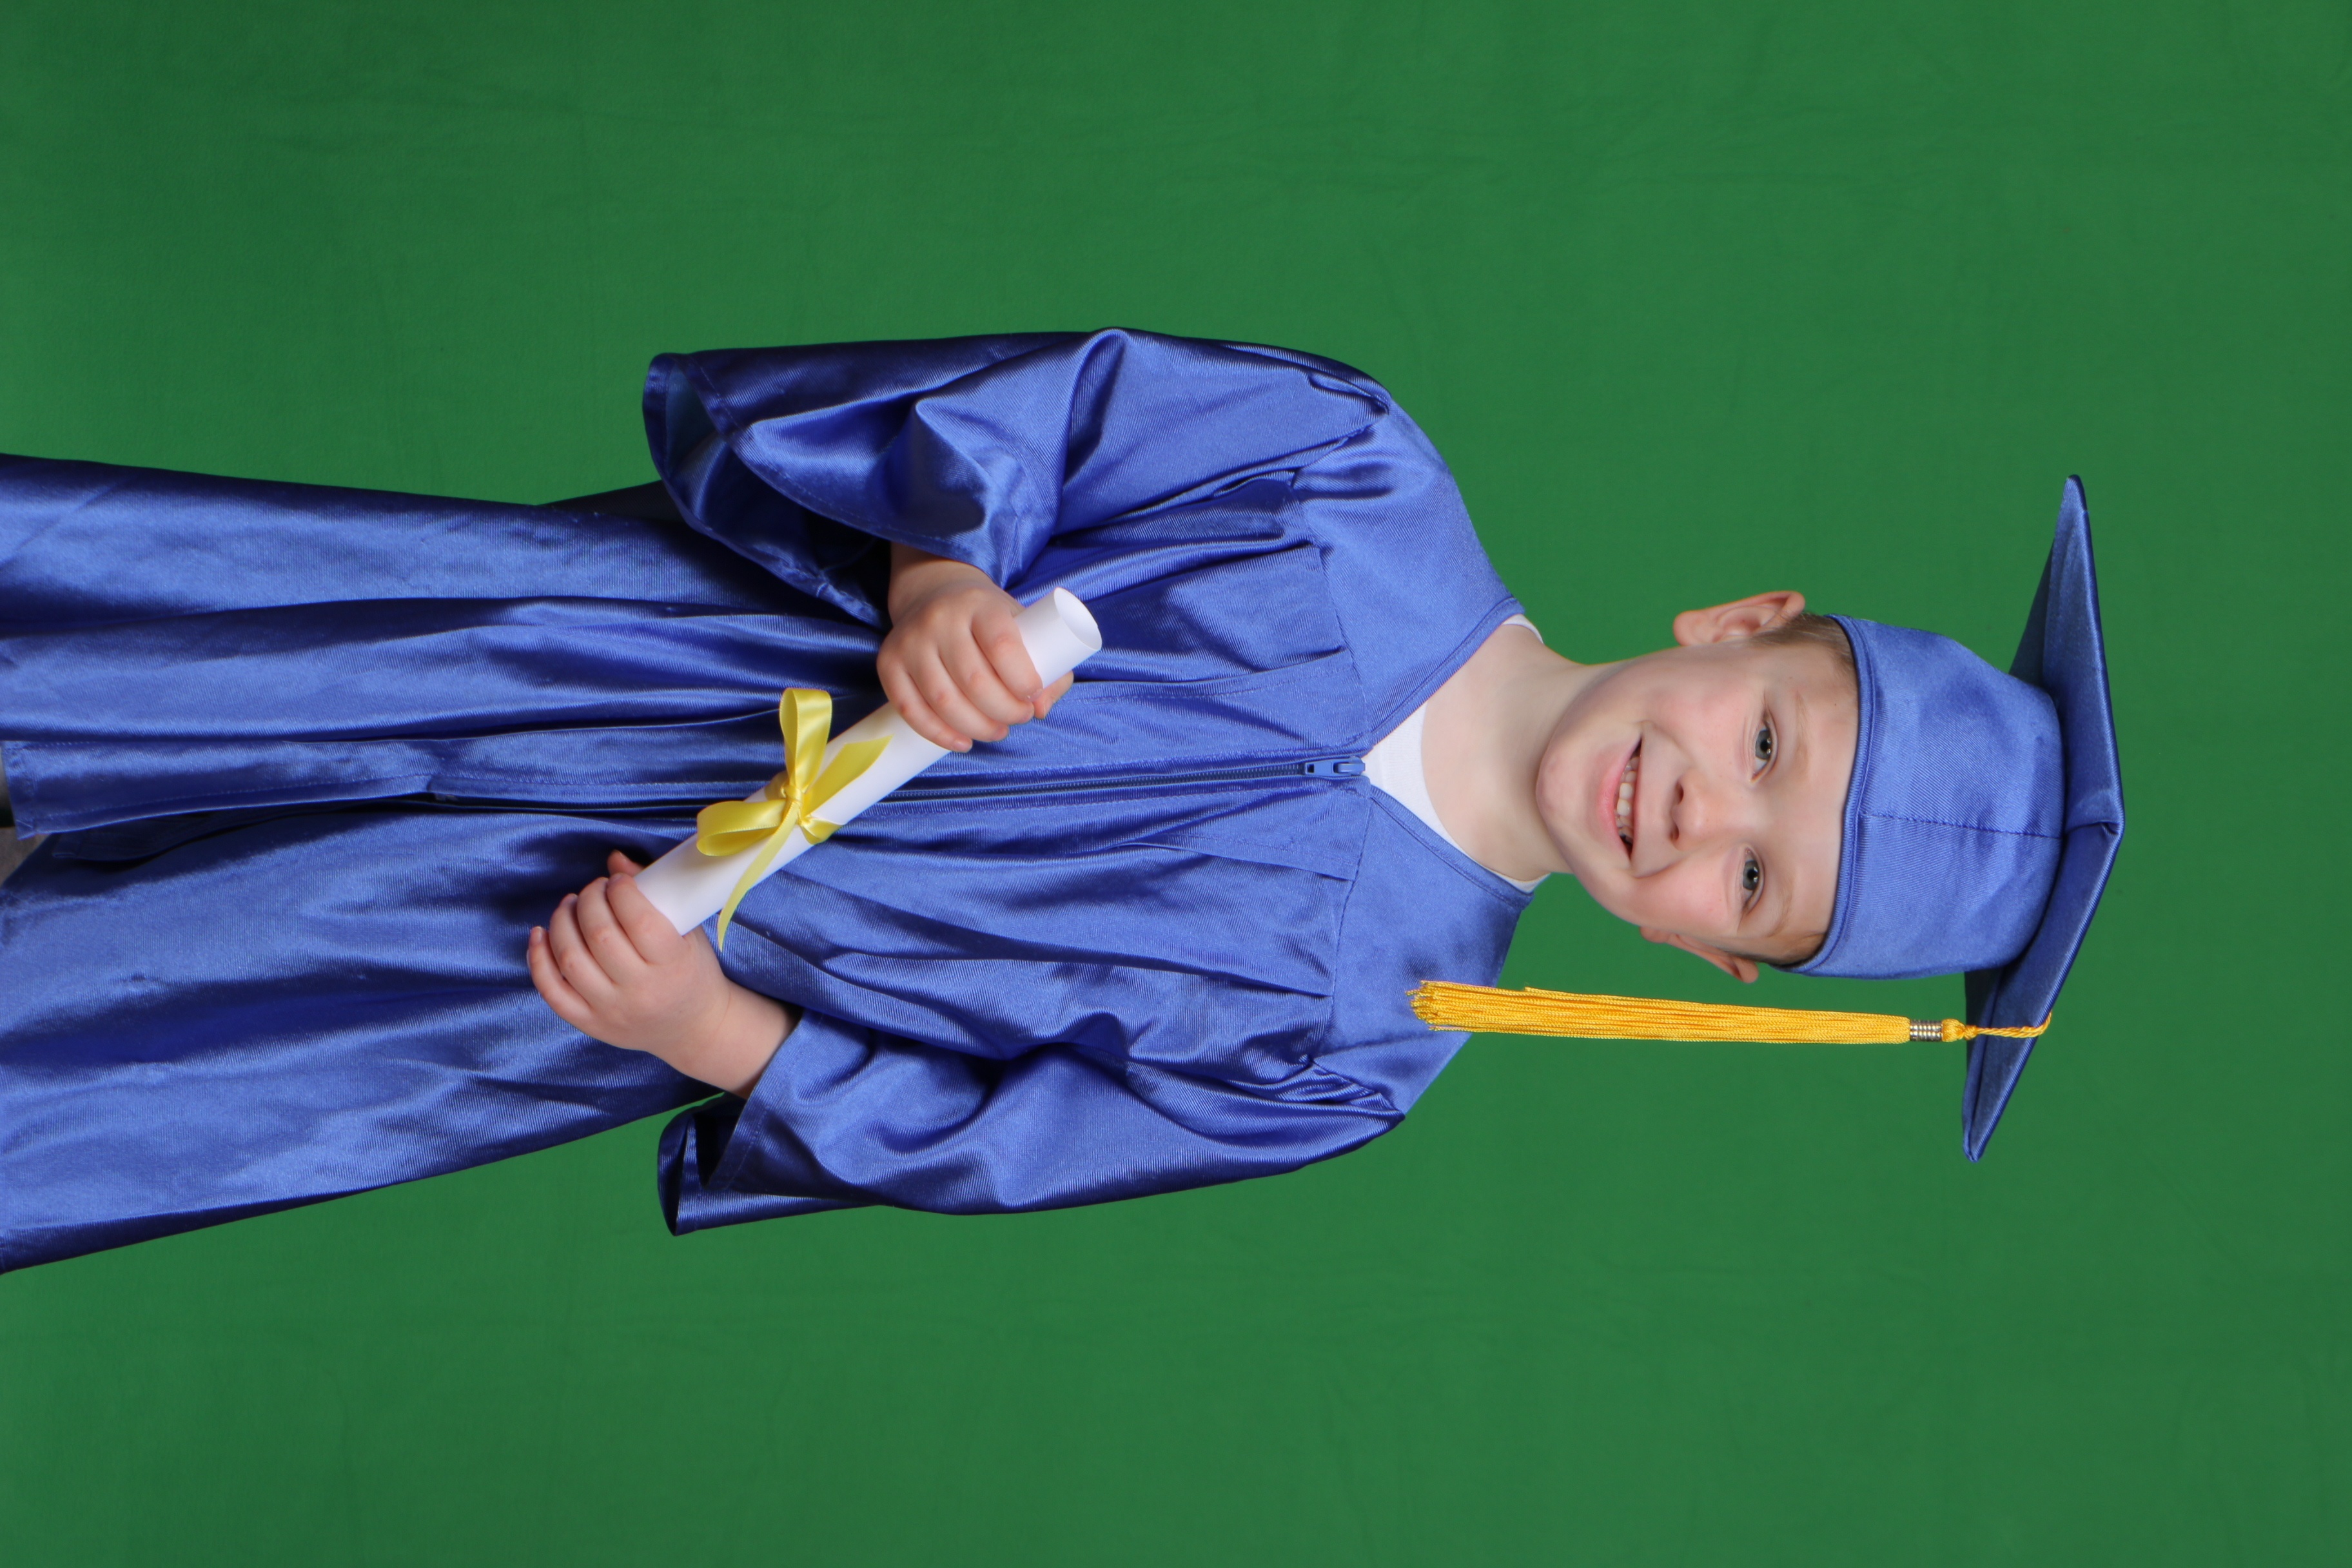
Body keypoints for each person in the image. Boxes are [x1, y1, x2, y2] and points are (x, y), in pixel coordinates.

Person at [0, 329, 2118, 1273]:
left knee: (139, 1019)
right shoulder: (1350, 474)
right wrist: (941, 574)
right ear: (1748, 619)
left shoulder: (1358, 1055)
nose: (1699, 815)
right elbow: (1024, 421)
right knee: (130, 680)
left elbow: (990, 1143)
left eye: (1753, 882)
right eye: (1772, 746)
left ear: (1708, 962)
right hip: (585, 658)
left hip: (602, 952)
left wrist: (702, 1029)